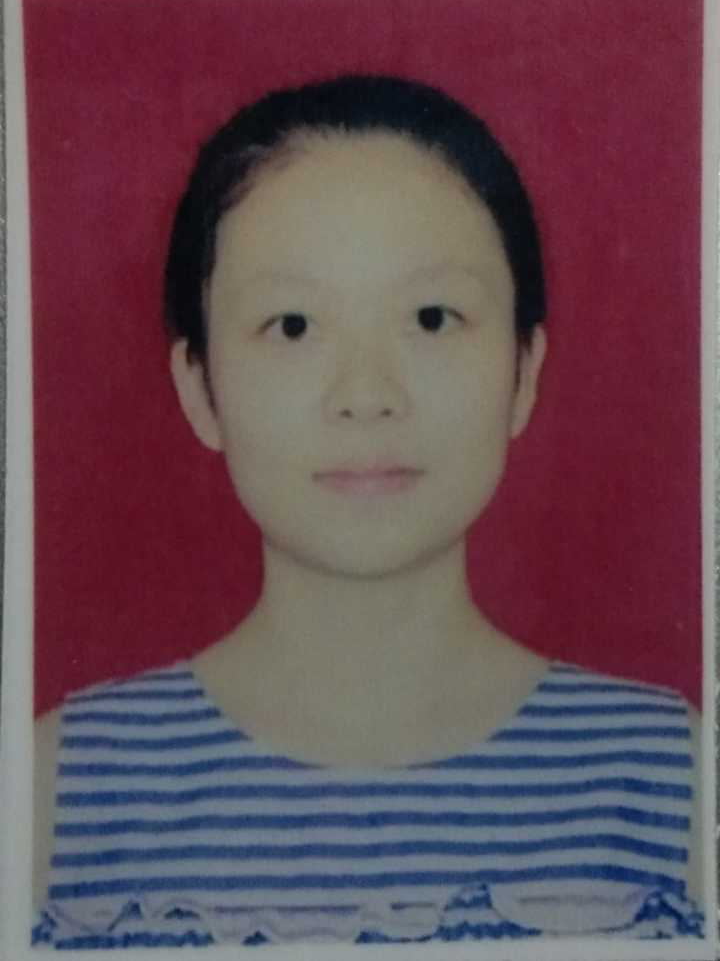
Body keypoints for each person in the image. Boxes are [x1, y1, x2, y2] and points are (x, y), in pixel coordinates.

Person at [32, 75, 704, 948]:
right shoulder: (59, 791)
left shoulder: (671, 781)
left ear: (524, 371)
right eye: (293, 326)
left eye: (431, 318)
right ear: (198, 386)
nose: (367, 394)